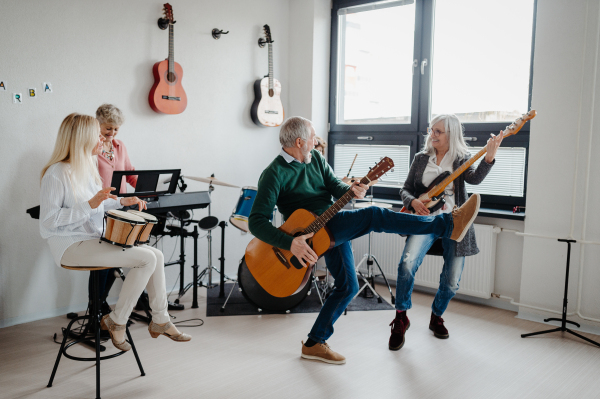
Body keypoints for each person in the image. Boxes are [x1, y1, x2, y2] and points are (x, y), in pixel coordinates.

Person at [248, 116, 481, 365]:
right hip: (309, 236)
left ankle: (314, 342)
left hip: (331, 224)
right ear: (299, 141)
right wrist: (290, 243)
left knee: (348, 286)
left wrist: (354, 190)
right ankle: (447, 224)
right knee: (374, 215)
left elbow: (336, 188)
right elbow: (256, 222)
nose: (317, 142)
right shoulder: (273, 173)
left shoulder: (314, 158)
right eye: (313, 138)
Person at [39, 113, 191, 351]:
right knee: (146, 258)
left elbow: (98, 203)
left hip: (90, 240)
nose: (102, 140)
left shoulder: (87, 169)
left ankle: (160, 319)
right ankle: (117, 320)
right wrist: (88, 205)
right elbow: (48, 221)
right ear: (82, 139)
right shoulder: (56, 173)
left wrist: (123, 201)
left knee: (156, 255)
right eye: (97, 136)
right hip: (68, 246)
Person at [388, 114, 502, 351]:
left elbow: (476, 180)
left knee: (451, 281)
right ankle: (401, 317)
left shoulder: (461, 159)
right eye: (432, 130)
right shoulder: (421, 159)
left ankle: (436, 315)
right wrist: (413, 203)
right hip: (425, 220)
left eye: (438, 131)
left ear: (452, 134)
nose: (433, 135)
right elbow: (406, 189)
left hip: (454, 223)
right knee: (406, 265)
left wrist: (489, 157)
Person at [94, 104, 137, 312]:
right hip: (100, 210)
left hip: (121, 209)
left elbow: (130, 174)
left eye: (116, 129)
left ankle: (102, 302)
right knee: (101, 261)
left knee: (115, 259)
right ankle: (95, 306)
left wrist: (147, 189)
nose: (112, 133)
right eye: (108, 128)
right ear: (98, 124)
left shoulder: (120, 146)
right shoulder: (90, 148)